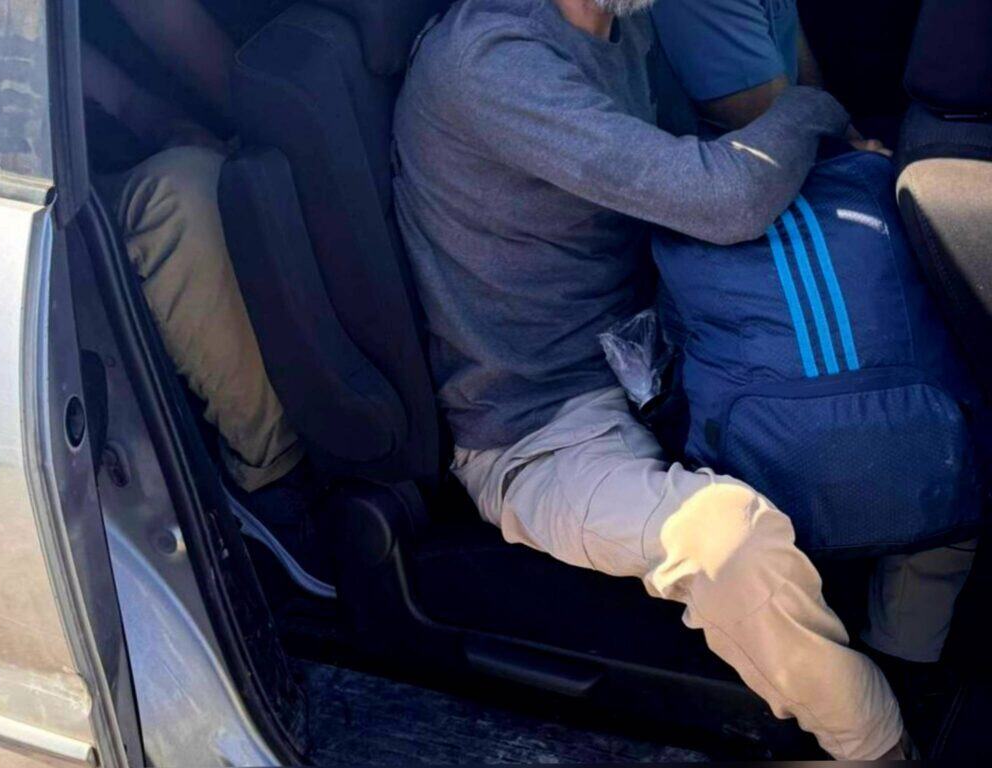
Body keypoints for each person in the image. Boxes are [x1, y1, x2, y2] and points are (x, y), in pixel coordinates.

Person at [394, 0, 917, 758]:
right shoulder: (489, 59)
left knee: (914, 385)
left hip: (665, 357)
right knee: (727, 542)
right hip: (542, 429)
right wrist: (815, 110)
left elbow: (699, 174)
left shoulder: (620, 28)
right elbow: (720, 197)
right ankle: (876, 744)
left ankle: (917, 652)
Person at [649, 0, 977, 739]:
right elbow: (754, 116)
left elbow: (789, 71)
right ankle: (898, 664)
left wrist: (837, 129)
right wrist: (840, 132)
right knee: (921, 432)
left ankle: (894, 660)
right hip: (740, 194)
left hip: (772, 189)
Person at [82, 0, 306, 494]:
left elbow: (126, 102)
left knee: (219, 172)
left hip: (110, 160)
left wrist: (177, 130)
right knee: (177, 196)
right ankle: (277, 475)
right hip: (54, 211)